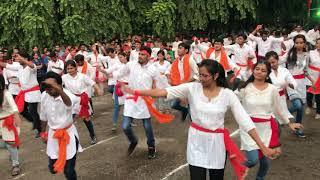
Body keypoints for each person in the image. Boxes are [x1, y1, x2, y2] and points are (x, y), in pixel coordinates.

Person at [122, 59, 279, 180]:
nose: (200, 78)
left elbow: (245, 121)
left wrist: (262, 147)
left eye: (204, 75)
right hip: (196, 142)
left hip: (217, 144)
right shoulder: (192, 88)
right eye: (199, 74)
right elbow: (163, 92)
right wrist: (136, 91)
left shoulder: (227, 94)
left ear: (216, 76)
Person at [237, 59, 302, 180]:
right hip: (249, 129)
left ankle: (259, 178)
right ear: (253, 70)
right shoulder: (244, 87)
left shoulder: (272, 89)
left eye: (263, 70)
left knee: (265, 162)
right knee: (252, 160)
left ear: (267, 74)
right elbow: (231, 101)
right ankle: (239, 167)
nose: (259, 72)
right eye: (257, 69)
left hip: (266, 129)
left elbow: (278, 109)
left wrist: (289, 123)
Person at [110, 46, 161, 159]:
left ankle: (151, 146)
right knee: (125, 126)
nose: (140, 56)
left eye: (143, 55)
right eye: (139, 54)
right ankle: (133, 141)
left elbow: (156, 85)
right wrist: (108, 73)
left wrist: (155, 95)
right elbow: (119, 73)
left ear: (148, 56)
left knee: (147, 126)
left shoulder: (153, 69)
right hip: (131, 99)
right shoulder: (131, 64)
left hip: (145, 100)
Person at [40, 71, 82, 180]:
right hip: (53, 135)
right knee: (53, 168)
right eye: (46, 86)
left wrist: (59, 90)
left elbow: (68, 103)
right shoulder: (45, 95)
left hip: (68, 137)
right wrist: (43, 132)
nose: (48, 89)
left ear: (59, 84)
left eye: (51, 86)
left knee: (68, 171)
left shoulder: (69, 96)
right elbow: (43, 116)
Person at [0, 51, 42, 138]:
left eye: (18, 58)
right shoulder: (19, 67)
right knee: (22, 110)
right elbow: (6, 65)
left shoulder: (31, 67)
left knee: (33, 111)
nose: (16, 59)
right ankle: (36, 122)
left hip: (33, 93)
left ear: (25, 58)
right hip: (24, 93)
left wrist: (22, 58)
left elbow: (31, 65)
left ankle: (39, 128)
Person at [280, 34, 314, 138]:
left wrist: (313, 82)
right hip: (291, 82)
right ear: (294, 43)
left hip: (302, 83)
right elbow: (279, 60)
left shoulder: (307, 55)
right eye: (297, 42)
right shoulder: (289, 54)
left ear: (304, 44)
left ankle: (297, 128)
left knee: (300, 109)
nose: (299, 44)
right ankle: (280, 116)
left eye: (301, 42)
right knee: (297, 105)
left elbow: (306, 71)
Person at [62, 60, 102, 145]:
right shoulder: (64, 77)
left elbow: (92, 83)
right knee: (70, 121)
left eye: (71, 68)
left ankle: (93, 136)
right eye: (68, 69)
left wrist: (98, 89)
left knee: (86, 120)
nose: (69, 70)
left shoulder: (82, 76)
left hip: (82, 100)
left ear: (76, 68)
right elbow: (58, 84)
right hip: (71, 101)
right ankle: (71, 140)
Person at [166, 42, 199, 121]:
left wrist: (186, 82)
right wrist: (169, 79)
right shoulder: (176, 60)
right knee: (173, 105)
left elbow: (197, 74)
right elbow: (167, 71)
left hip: (190, 87)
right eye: (178, 48)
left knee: (191, 109)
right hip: (180, 87)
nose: (178, 50)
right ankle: (184, 110)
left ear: (186, 50)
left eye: (181, 48)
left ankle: (196, 126)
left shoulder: (190, 59)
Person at [99, 52, 130, 131]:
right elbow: (108, 71)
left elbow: (119, 74)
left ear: (125, 56)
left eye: (121, 57)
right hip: (119, 87)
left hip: (127, 87)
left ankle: (128, 122)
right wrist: (101, 70)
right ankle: (114, 124)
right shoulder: (117, 65)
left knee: (128, 106)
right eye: (119, 57)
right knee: (117, 106)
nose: (120, 59)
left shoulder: (130, 65)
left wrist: (112, 74)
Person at [0, 74, 22, 176]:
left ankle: (15, 164)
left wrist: (16, 116)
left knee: (10, 144)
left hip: (9, 121)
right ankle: (13, 150)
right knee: (7, 144)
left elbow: (13, 106)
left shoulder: (6, 93)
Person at [266, 51, 296, 121]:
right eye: (269, 63)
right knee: (272, 121)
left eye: (273, 62)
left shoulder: (284, 71)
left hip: (281, 99)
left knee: (282, 120)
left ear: (277, 60)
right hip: (269, 100)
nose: (271, 65)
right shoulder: (265, 72)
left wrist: (288, 84)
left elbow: (293, 83)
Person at [306, 38, 320, 118]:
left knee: (318, 97)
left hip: (319, 77)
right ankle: (309, 106)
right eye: (317, 43)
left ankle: (318, 112)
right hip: (311, 75)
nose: (319, 45)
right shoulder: (310, 53)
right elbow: (306, 63)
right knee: (309, 94)